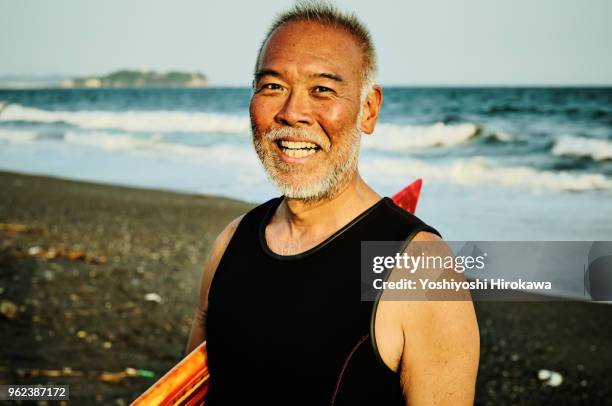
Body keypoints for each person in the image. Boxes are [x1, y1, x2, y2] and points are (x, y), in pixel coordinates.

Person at [186, 2, 479, 404]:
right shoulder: (231, 242)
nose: (292, 113)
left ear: (369, 109)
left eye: (322, 89)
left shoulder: (421, 270)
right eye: (272, 86)